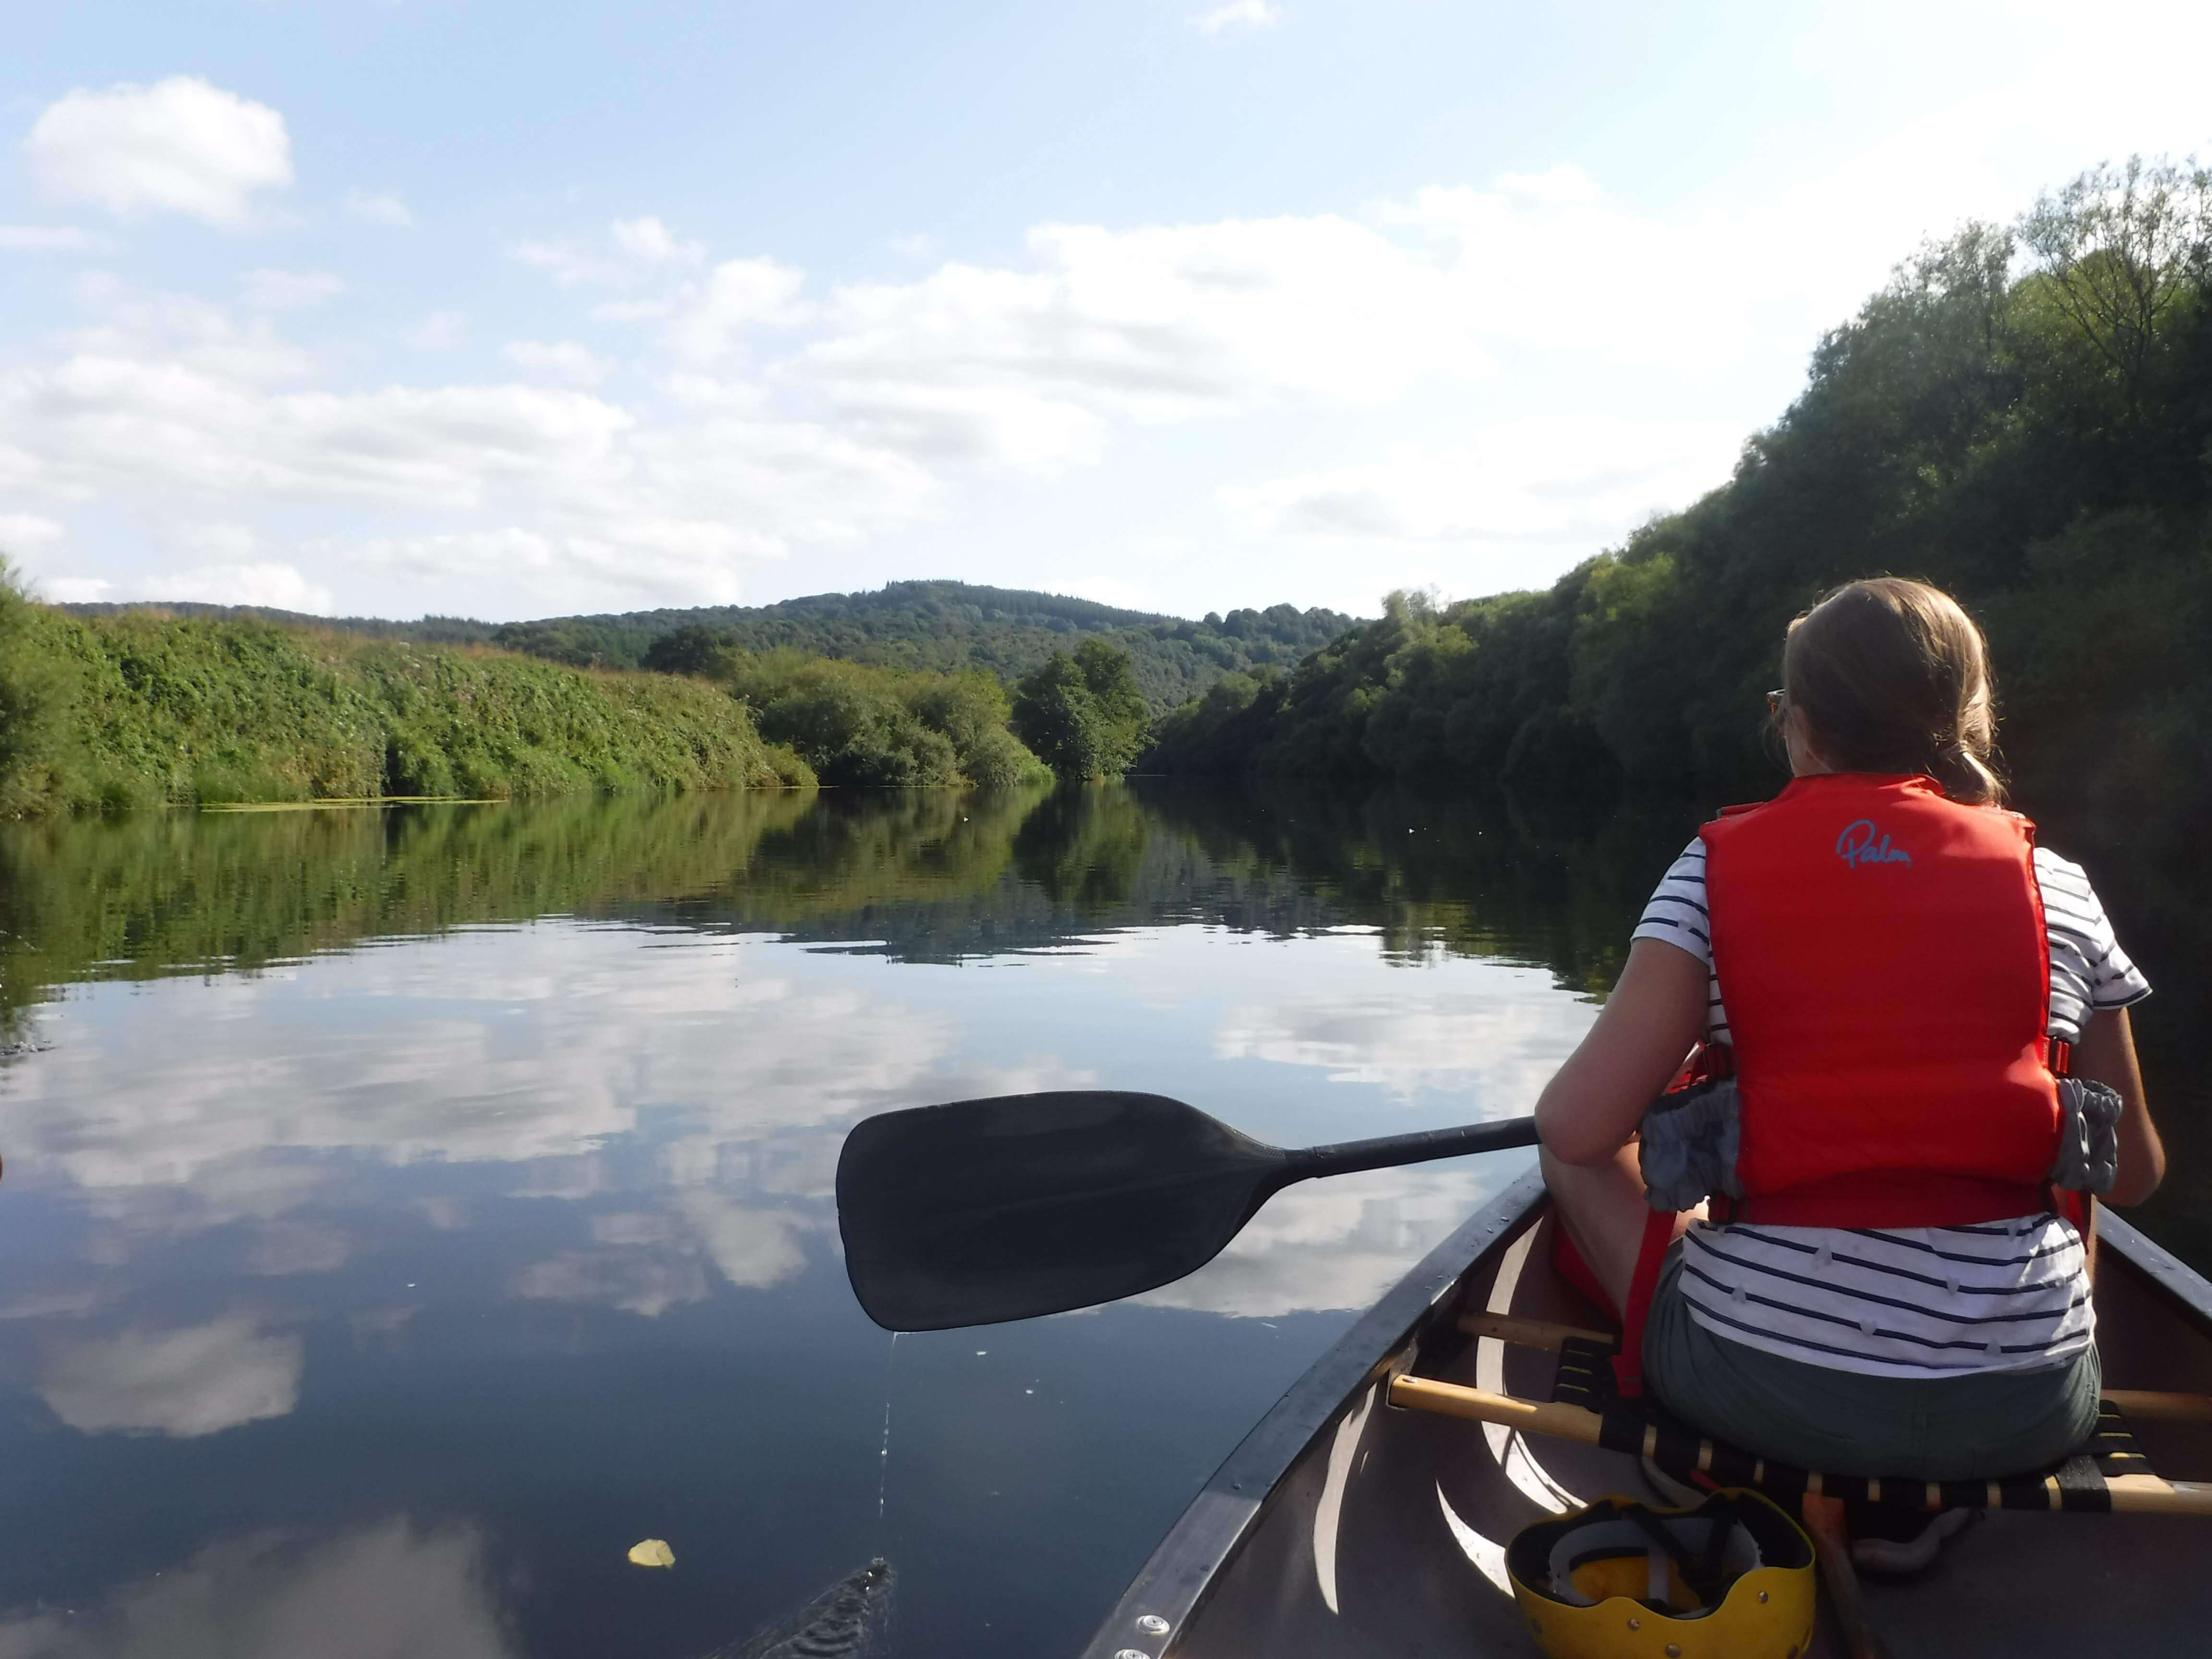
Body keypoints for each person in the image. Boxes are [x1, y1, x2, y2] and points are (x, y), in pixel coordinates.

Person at [1532, 577, 2164, 1572]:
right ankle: (1918, 1510)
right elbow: (2128, 1175)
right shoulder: (2061, 887)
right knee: (2066, 1189)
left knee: (1568, 1151)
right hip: (2028, 1409)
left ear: (1799, 725)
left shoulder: (1712, 872)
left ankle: (1756, 1470)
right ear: (1963, 720)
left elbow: (1575, 1129)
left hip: (1764, 1388)